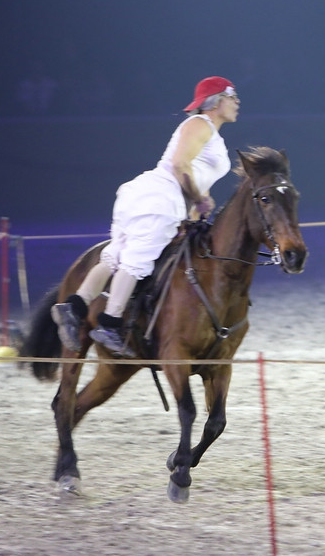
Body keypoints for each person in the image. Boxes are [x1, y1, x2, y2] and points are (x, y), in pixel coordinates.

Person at [51, 76, 241, 356]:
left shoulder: (210, 133)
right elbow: (179, 165)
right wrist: (199, 199)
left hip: (156, 198)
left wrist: (194, 208)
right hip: (160, 198)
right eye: (233, 97)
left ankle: (74, 307)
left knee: (117, 255)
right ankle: (110, 323)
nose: (237, 103)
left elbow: (195, 173)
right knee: (137, 260)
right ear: (217, 101)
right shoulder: (199, 124)